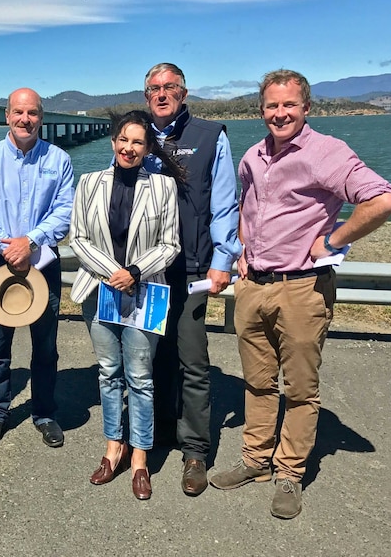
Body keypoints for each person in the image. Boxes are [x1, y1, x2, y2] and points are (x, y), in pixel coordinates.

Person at [209, 69, 391, 519]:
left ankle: (289, 472)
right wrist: (241, 252)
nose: (280, 113)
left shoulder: (326, 152)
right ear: (260, 111)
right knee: (257, 382)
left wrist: (332, 242)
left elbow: (381, 200)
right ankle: (256, 459)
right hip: (253, 285)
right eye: (272, 106)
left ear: (306, 108)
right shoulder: (253, 156)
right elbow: (247, 206)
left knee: (299, 388)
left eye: (289, 105)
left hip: (302, 289)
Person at [70, 110, 182, 500]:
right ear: (113, 142)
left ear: (148, 148)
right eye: (123, 140)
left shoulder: (163, 187)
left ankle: (139, 458)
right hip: (100, 291)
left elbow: (170, 244)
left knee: (140, 377)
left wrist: (134, 271)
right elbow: (79, 238)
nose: (128, 148)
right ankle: (111, 448)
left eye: (137, 142)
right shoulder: (88, 183)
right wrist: (113, 271)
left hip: (145, 292)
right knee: (108, 373)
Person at [143, 62, 242, 496]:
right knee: (151, 357)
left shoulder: (209, 136)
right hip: (145, 270)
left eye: (169, 88)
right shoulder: (136, 136)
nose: (161, 94)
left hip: (193, 268)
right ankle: (162, 429)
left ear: (184, 93)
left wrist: (224, 258)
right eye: (153, 89)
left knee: (193, 361)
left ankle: (196, 450)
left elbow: (224, 204)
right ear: (145, 95)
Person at [0, 87, 74, 448]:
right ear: (7, 117)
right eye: (18, 112)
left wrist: (30, 242)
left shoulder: (59, 160)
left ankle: (44, 412)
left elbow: (64, 212)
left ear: (41, 117)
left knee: (45, 346)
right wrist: (9, 246)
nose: (25, 119)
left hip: (43, 263)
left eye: (32, 113)